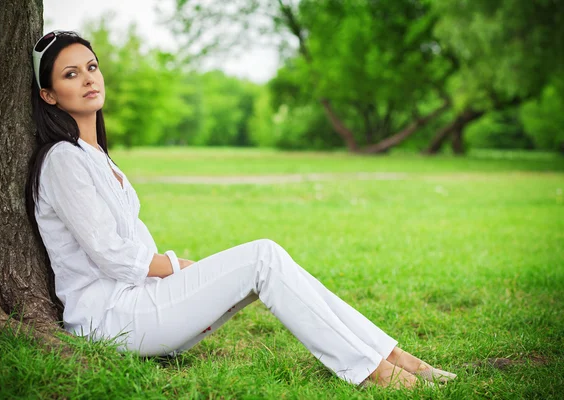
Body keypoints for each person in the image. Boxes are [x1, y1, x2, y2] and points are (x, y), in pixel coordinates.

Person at [25, 31, 456, 390]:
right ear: (48, 94)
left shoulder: (95, 156)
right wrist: (180, 265)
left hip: (141, 303)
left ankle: (395, 357)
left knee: (271, 263)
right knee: (262, 257)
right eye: (70, 74)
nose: (87, 79)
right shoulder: (63, 159)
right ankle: (376, 372)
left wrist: (183, 270)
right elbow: (113, 256)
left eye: (92, 67)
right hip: (111, 319)